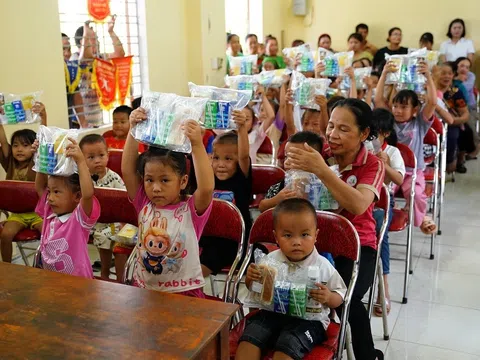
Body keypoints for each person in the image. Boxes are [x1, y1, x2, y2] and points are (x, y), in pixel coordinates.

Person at [286, 98, 385, 360]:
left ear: (364, 134)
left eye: (343, 129)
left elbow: (358, 204)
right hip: (312, 240)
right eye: (330, 126)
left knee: (347, 300)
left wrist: (321, 169)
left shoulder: (372, 164)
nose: (332, 135)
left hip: (357, 245)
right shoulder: (321, 153)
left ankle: (366, 355)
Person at [236, 198, 346, 360]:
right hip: (271, 313)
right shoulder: (270, 261)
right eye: (287, 235)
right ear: (276, 237)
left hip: (309, 321)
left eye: (305, 235)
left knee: (287, 347)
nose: (296, 242)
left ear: (316, 235)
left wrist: (329, 297)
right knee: (248, 341)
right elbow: (255, 290)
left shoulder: (323, 266)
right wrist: (250, 280)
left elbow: (341, 296)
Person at [123, 108, 214, 297]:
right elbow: (128, 171)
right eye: (149, 180)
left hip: (184, 293)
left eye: (164, 180)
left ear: (182, 181)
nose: (156, 188)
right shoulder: (143, 202)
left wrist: (197, 144)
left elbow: (206, 188)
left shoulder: (190, 209)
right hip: (145, 290)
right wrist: (133, 130)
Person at [375, 60, 438, 234]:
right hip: (392, 170)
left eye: (404, 107)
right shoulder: (389, 122)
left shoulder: (420, 123)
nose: (397, 110)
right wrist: (384, 74)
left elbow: (432, 102)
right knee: (381, 192)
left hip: (412, 171)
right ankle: (379, 221)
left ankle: (422, 217)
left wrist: (428, 76)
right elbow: (378, 99)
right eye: (395, 106)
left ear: (415, 109)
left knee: (417, 194)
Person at [34, 138, 100, 278]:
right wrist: (42, 158)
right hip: (52, 282)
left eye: (56, 192)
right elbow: (40, 187)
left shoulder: (78, 219)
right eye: (50, 191)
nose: (50, 197)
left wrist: (81, 161)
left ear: (77, 196)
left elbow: (87, 194)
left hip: (79, 284)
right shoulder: (50, 212)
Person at [200, 110, 252, 277]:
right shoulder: (208, 179)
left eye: (228, 159)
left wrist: (242, 127)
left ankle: (189, 288)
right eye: (216, 158)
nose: (220, 164)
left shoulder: (241, 177)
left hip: (233, 240)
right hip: (209, 236)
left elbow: (244, 155)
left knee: (200, 268)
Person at [0, 103, 46, 263]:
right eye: (16, 145)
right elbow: (3, 142)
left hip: (38, 213)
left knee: (48, 233)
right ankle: (6, 267)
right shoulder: (9, 163)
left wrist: (43, 116)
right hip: (18, 214)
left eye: (25, 145)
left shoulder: (38, 162)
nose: (19, 149)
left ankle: (47, 263)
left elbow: (43, 140)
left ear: (33, 147)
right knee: (5, 235)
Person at [370, 109, 405, 316]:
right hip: (362, 202)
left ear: (386, 133)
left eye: (377, 134)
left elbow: (399, 180)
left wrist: (385, 165)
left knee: (380, 236)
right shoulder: (361, 149)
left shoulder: (392, 152)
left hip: (382, 204)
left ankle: (384, 289)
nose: (372, 138)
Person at [79, 134, 127, 281]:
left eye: (101, 155)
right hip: (92, 223)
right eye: (91, 157)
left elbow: (125, 201)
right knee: (101, 235)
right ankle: (104, 272)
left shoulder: (114, 178)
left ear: (108, 154)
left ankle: (120, 278)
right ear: (81, 159)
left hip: (113, 222)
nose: (97, 160)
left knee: (121, 238)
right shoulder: (81, 178)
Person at [71, 17, 125, 128]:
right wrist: (86, 34)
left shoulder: (99, 58)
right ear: (82, 41)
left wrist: (111, 31)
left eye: (97, 39)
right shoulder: (75, 59)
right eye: (93, 39)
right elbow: (85, 58)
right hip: (81, 121)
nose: (97, 42)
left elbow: (120, 54)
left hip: (97, 117)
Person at [259, 131, 323, 212]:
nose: (286, 162)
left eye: (294, 157)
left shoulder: (322, 187)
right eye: (286, 156)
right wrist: (276, 199)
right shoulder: (281, 187)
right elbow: (262, 207)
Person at [435, 62, 470, 173]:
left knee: (452, 136)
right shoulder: (428, 89)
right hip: (430, 123)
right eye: (443, 73)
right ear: (435, 74)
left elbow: (465, 115)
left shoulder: (454, 92)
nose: (447, 76)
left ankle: (450, 161)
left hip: (450, 124)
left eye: (449, 73)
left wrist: (454, 121)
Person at [454, 57, 480, 160]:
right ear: (457, 66)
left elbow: (464, 88)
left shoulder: (471, 76)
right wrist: (456, 80)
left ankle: (474, 150)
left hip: (469, 106)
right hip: (455, 106)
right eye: (462, 66)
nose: (464, 69)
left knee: (471, 128)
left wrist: (456, 82)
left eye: (467, 67)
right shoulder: (452, 75)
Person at [245, 87, 276, 163]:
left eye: (247, 119)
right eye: (240, 118)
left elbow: (271, 116)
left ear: (253, 121)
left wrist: (263, 96)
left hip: (251, 171)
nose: (242, 122)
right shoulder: (230, 133)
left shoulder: (256, 134)